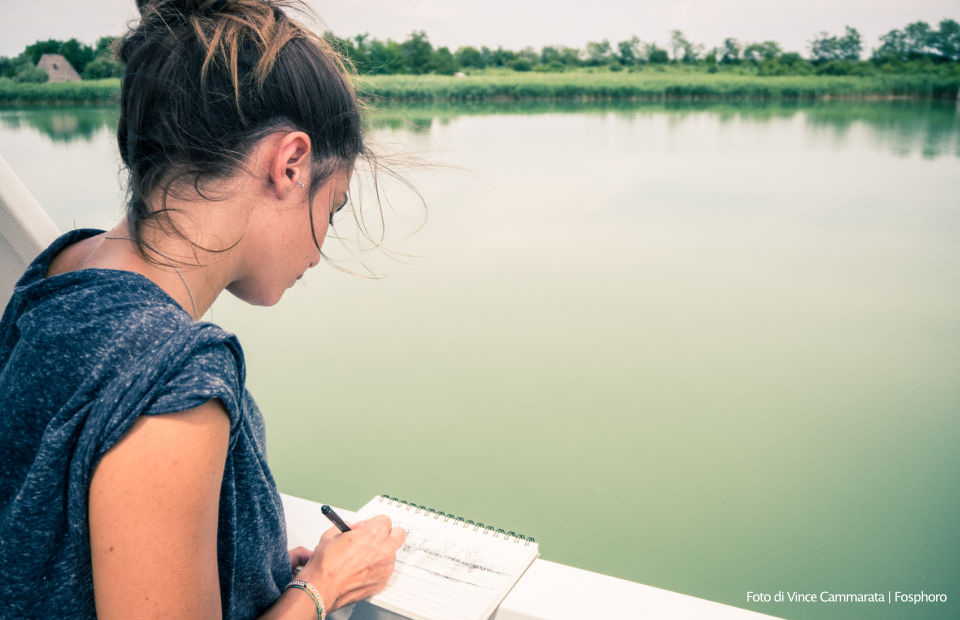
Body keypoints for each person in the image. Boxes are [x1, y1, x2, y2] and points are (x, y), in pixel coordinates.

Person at [0, 1, 406, 618]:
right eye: (335, 205)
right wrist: (324, 587)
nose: (320, 252)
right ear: (291, 164)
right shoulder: (174, 374)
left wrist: (253, 565)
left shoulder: (62, 269)